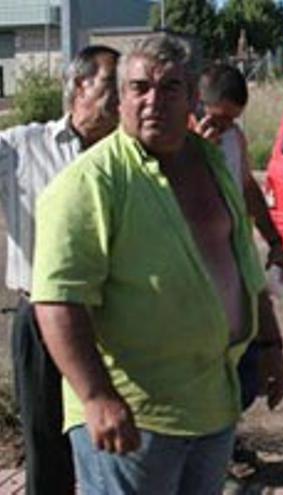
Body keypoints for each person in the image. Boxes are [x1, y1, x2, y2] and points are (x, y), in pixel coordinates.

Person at [30, 34, 283, 493]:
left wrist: (269, 343)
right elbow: (57, 301)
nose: (153, 101)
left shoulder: (211, 161)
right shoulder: (88, 184)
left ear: (192, 97)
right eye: (139, 88)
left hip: (212, 404)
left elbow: (242, 261)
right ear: (121, 97)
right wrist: (96, 397)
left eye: (170, 88)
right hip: (133, 416)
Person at [0, 44, 120, 495]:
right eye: (111, 84)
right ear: (77, 87)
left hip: (112, 316)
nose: (121, 95)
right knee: (46, 438)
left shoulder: (129, 154)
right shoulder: (23, 148)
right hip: (42, 318)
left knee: (113, 434)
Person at [193, 62, 283, 477]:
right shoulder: (178, 142)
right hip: (195, 274)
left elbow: (247, 188)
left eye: (233, 119)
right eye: (219, 118)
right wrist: (194, 149)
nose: (225, 127)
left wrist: (275, 240)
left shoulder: (232, 137)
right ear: (200, 104)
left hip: (234, 263)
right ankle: (214, 455)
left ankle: (225, 443)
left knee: (242, 369)